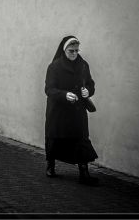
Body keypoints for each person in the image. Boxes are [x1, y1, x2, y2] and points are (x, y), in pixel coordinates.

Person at [44, 35, 99, 186]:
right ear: (64, 50)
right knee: (55, 138)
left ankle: (84, 173)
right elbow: (49, 89)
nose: (74, 53)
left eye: (76, 50)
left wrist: (88, 91)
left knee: (81, 139)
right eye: (71, 51)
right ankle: (50, 165)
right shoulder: (54, 66)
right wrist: (63, 95)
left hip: (77, 110)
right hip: (58, 111)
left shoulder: (83, 65)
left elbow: (90, 83)